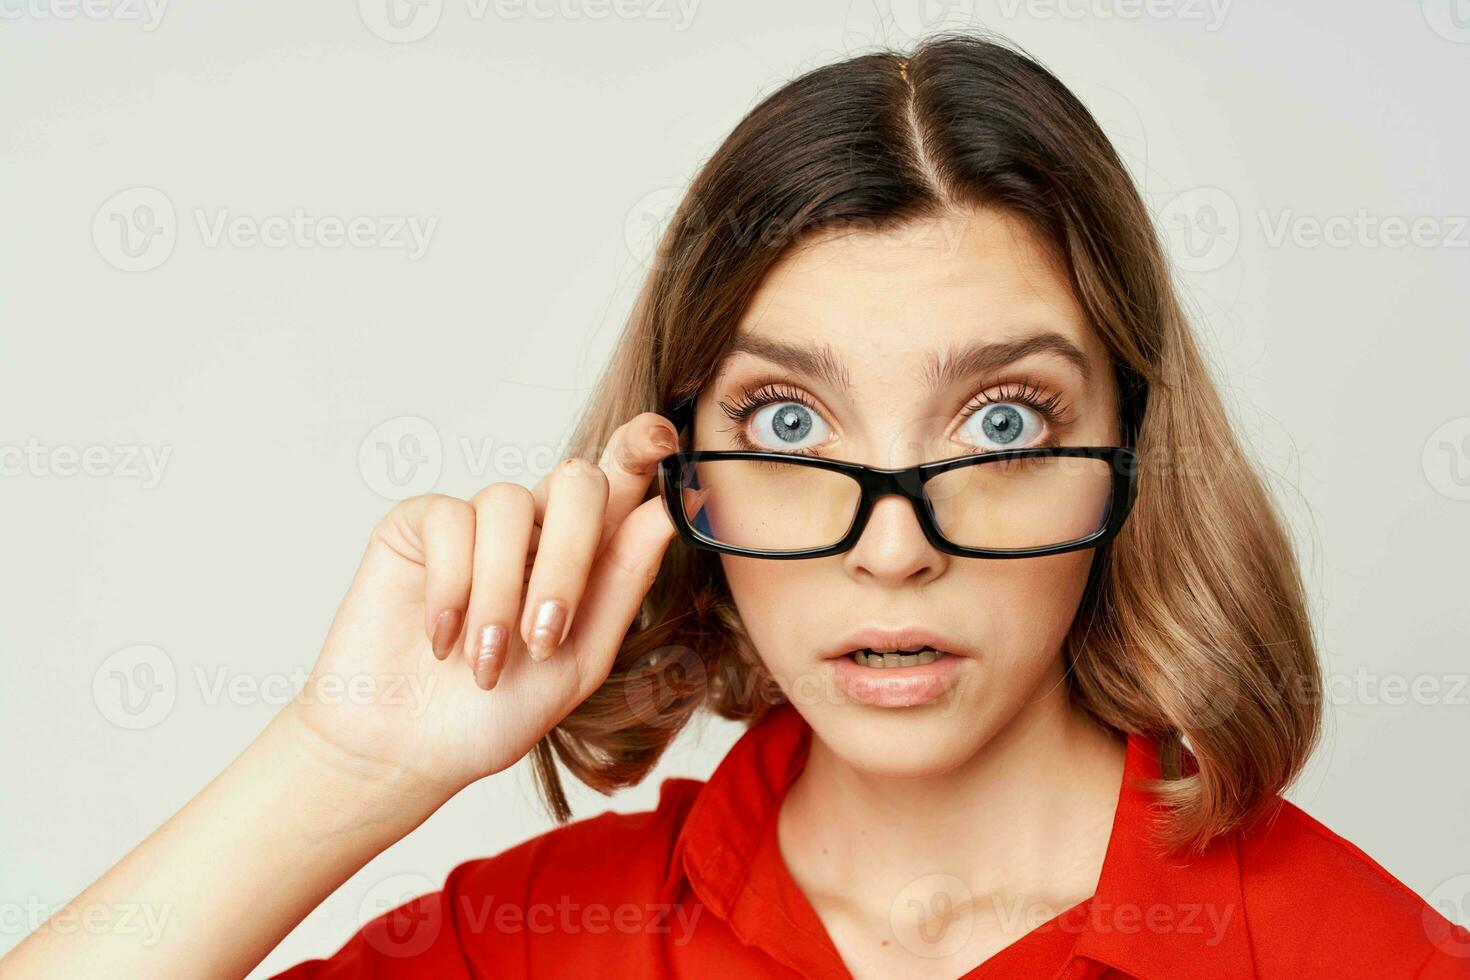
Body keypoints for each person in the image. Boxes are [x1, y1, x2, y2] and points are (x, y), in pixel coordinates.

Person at [5, 31, 1467, 980]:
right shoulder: (537, 944)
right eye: (786, 420)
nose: (893, 550)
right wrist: (345, 761)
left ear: (1132, 455)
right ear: (676, 472)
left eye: (1004, 420)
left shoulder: (1361, 954)